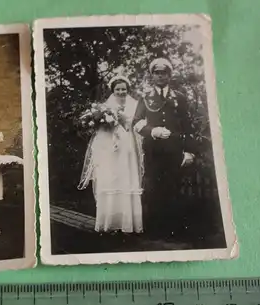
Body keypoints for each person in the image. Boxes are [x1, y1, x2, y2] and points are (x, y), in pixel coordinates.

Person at [132, 58, 196, 238]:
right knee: (153, 188)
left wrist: (189, 151)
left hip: (175, 150)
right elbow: (136, 123)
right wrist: (153, 131)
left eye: (164, 73)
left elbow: (188, 125)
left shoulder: (180, 97)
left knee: (174, 188)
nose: (160, 76)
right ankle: (154, 231)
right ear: (152, 75)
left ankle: (174, 231)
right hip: (153, 151)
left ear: (170, 75)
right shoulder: (145, 98)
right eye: (157, 73)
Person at [78, 75, 144, 233]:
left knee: (126, 179)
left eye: (124, 89)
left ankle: (128, 223)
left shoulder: (134, 105)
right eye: (118, 89)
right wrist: (106, 122)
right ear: (113, 91)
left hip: (127, 147)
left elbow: (136, 124)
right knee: (111, 180)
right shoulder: (105, 106)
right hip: (111, 149)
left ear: (128, 90)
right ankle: (109, 223)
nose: (121, 92)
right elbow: (100, 130)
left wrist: (122, 120)